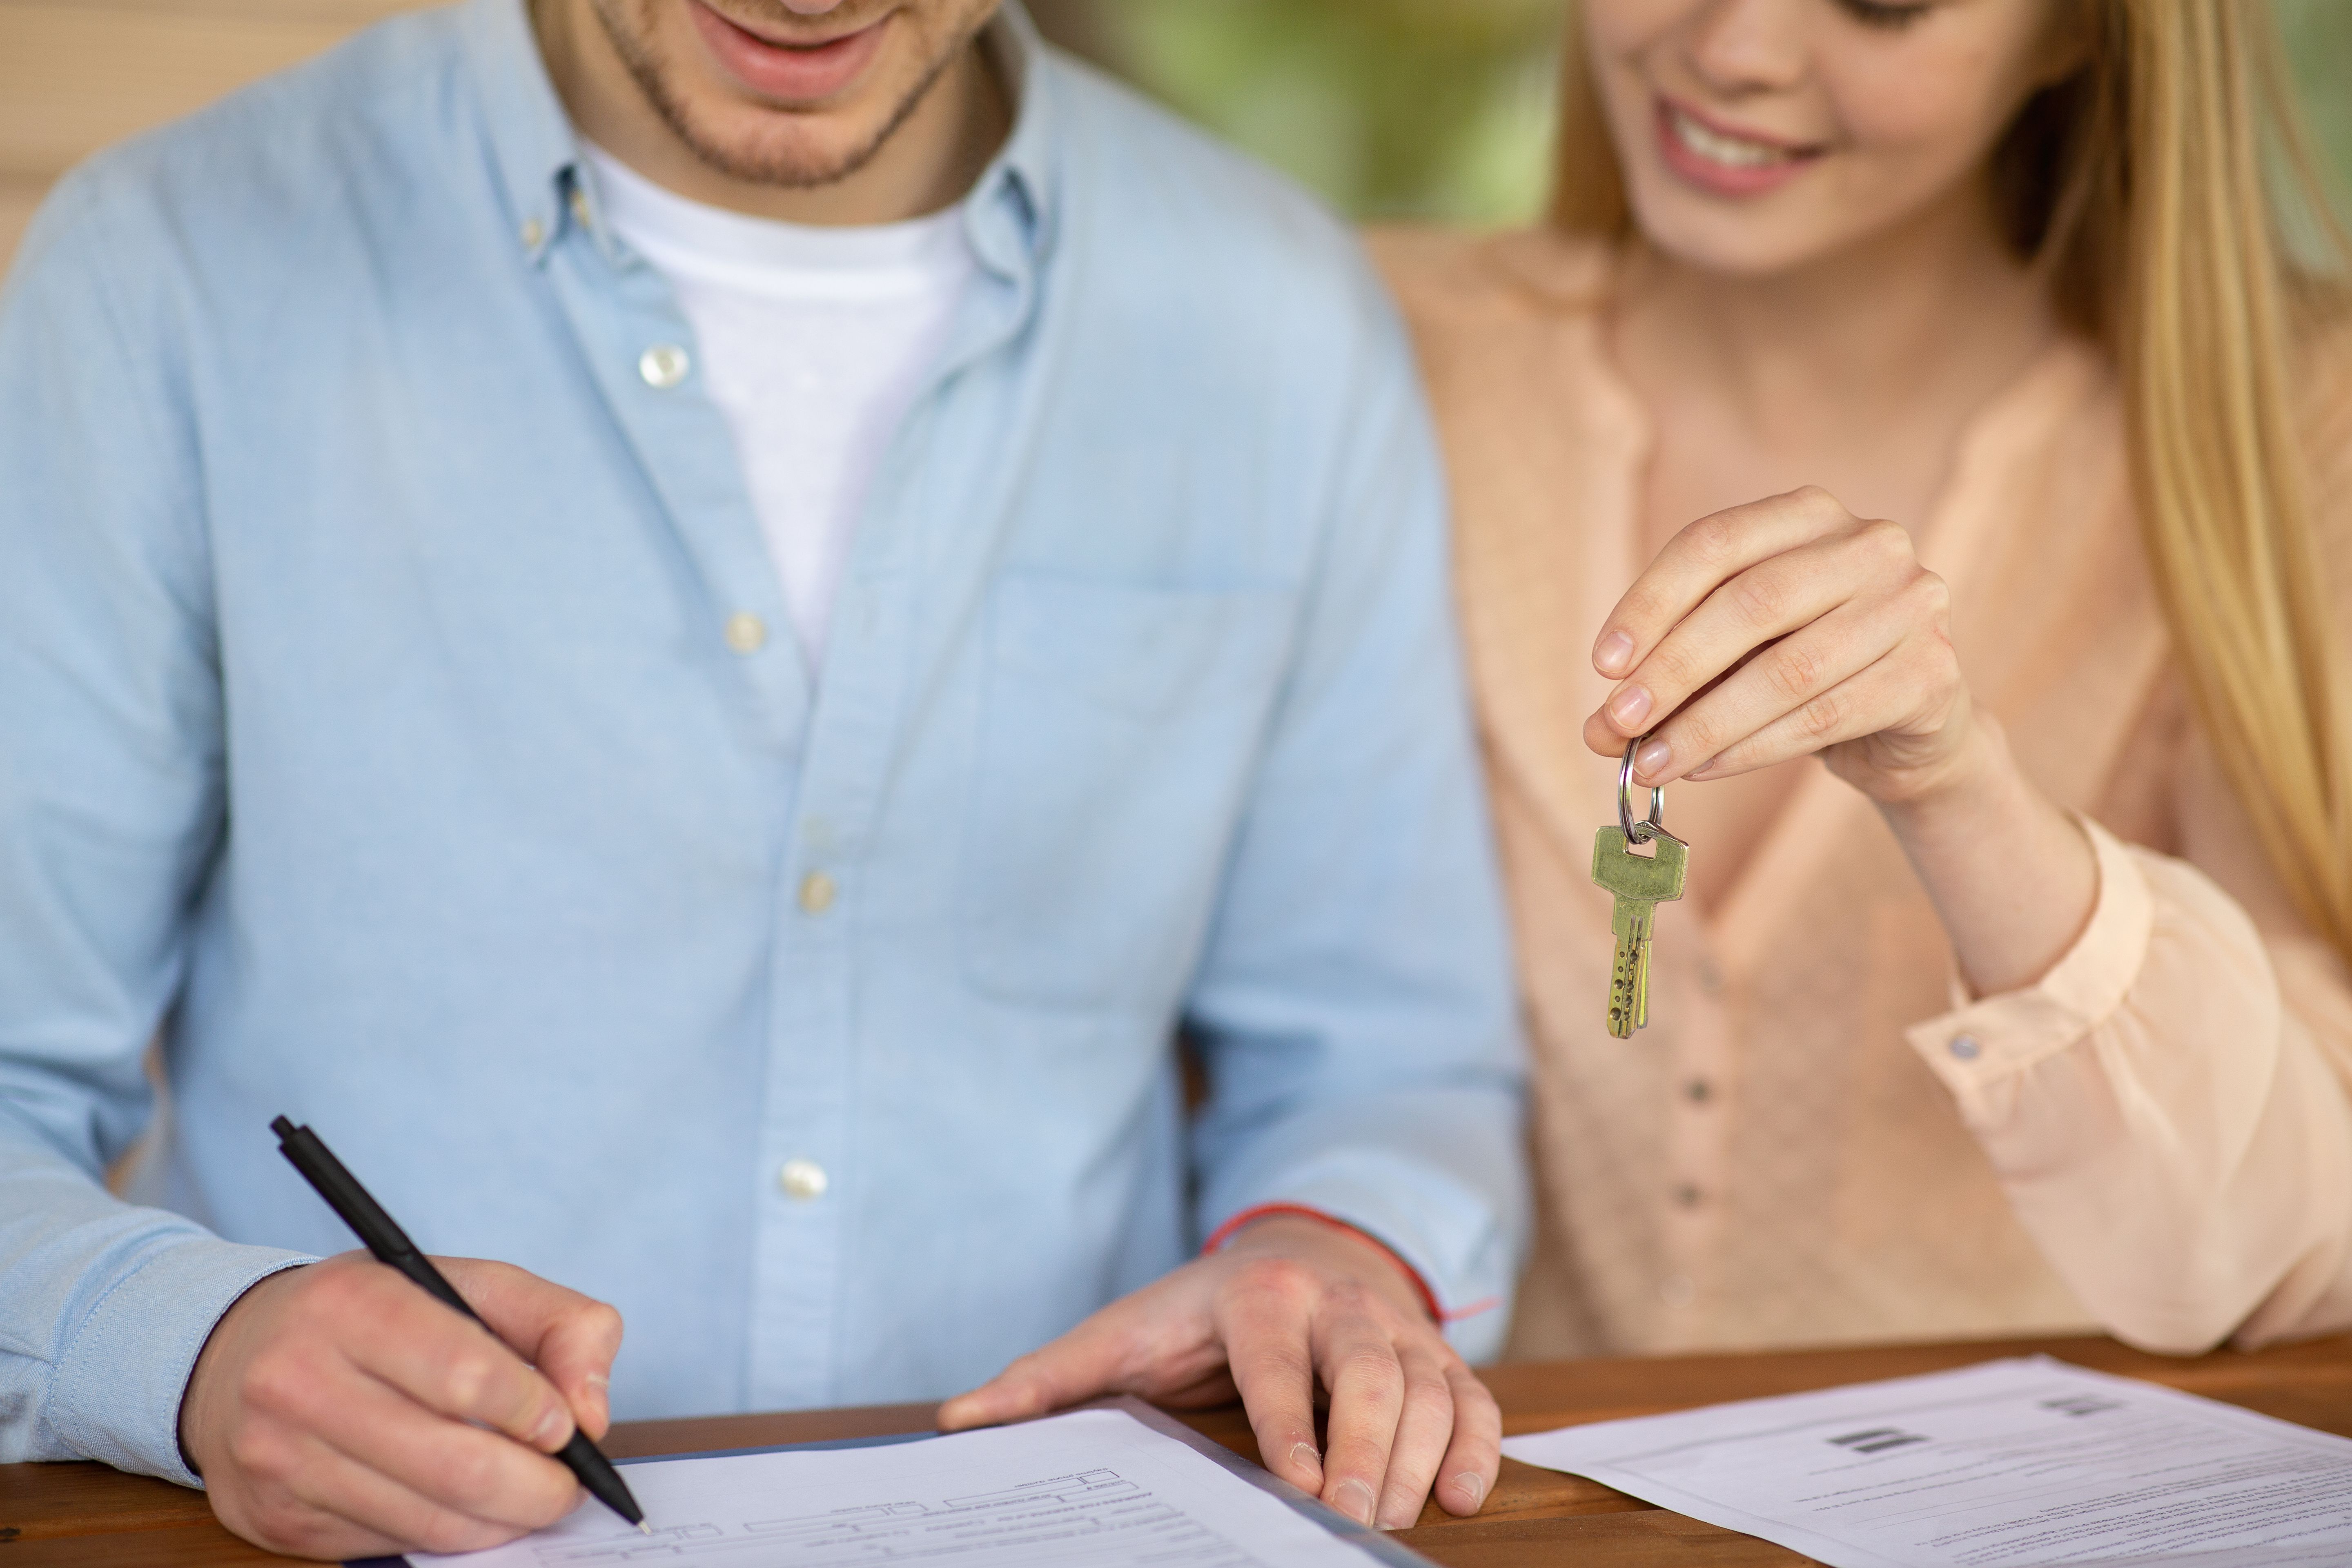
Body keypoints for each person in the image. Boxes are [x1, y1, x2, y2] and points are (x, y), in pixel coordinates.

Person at [0, 0, 1528, 1556]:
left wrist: (1319, 1251)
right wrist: (192, 1347)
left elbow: (1389, 1058)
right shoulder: (168, 271)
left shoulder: (1277, 318)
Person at [1375, 0, 2352, 1362]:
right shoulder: (1376, 347)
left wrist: (1960, 791)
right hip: (1495, 1515)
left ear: (2080, 33)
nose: (1739, 48)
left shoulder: (2300, 430)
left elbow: (2304, 1240)